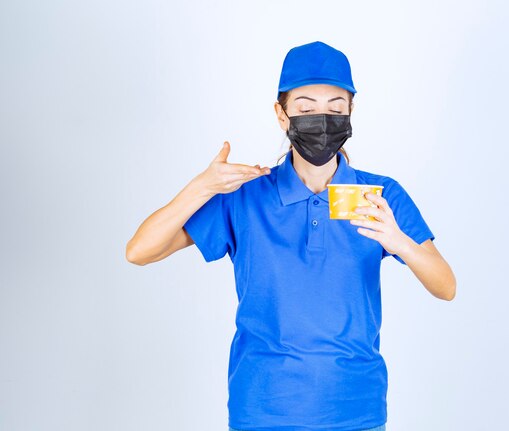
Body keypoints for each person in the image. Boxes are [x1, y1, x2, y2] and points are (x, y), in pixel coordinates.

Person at [126, 41, 456, 431]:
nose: (322, 118)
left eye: (336, 108)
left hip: (355, 410)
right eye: (306, 107)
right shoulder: (245, 195)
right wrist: (201, 187)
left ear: (351, 111)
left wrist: (398, 241)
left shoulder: (378, 196)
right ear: (281, 115)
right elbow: (139, 251)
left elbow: (445, 286)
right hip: (264, 410)